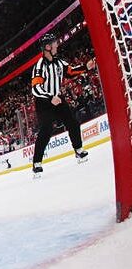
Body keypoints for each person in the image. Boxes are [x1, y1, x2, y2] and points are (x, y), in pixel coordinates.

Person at [30, 33, 96, 176]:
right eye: (54, 43)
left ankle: (78, 150)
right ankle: (36, 163)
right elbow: (36, 88)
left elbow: (70, 72)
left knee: (72, 123)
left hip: (57, 98)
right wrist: (50, 97)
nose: (57, 45)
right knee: (46, 129)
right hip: (44, 101)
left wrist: (86, 67)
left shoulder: (59, 62)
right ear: (48, 47)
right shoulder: (39, 66)